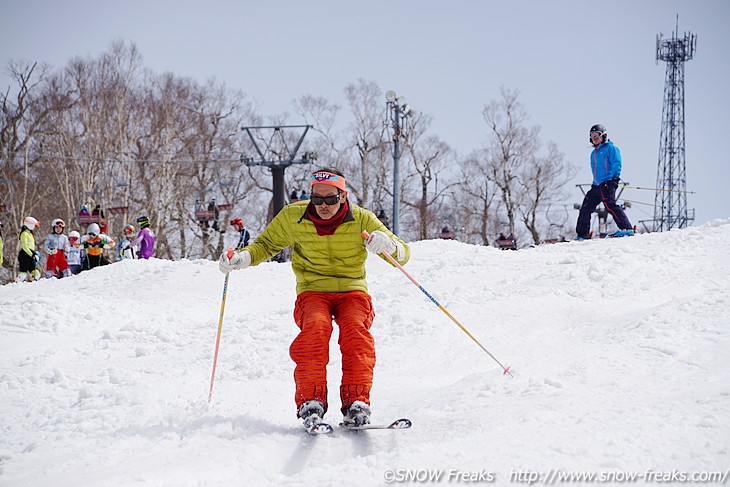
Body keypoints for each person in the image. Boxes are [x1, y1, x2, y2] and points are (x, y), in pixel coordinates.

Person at [218, 168, 410, 428]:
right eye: (317, 199)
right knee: (315, 329)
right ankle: (311, 401)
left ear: (343, 196)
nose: (323, 206)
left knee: (356, 332)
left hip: (352, 290)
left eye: (330, 199)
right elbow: (265, 245)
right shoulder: (293, 216)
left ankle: (357, 402)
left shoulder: (362, 220)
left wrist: (387, 244)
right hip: (312, 289)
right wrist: (241, 259)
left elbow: (403, 255)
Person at [575, 124, 634, 240]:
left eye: (597, 135)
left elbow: (616, 163)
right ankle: (582, 235)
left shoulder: (611, 148)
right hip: (596, 185)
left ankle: (627, 228)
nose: (594, 138)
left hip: (607, 182)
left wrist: (613, 179)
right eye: (592, 136)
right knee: (585, 208)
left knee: (610, 205)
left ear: (603, 135)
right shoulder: (594, 153)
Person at [17, 216, 41, 282]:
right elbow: (25, 246)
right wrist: (31, 254)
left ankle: (31, 283)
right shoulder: (24, 234)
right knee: (23, 273)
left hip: (30, 254)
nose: (34, 227)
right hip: (25, 254)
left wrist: (34, 253)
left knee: (36, 273)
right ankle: (17, 283)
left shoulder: (30, 234)